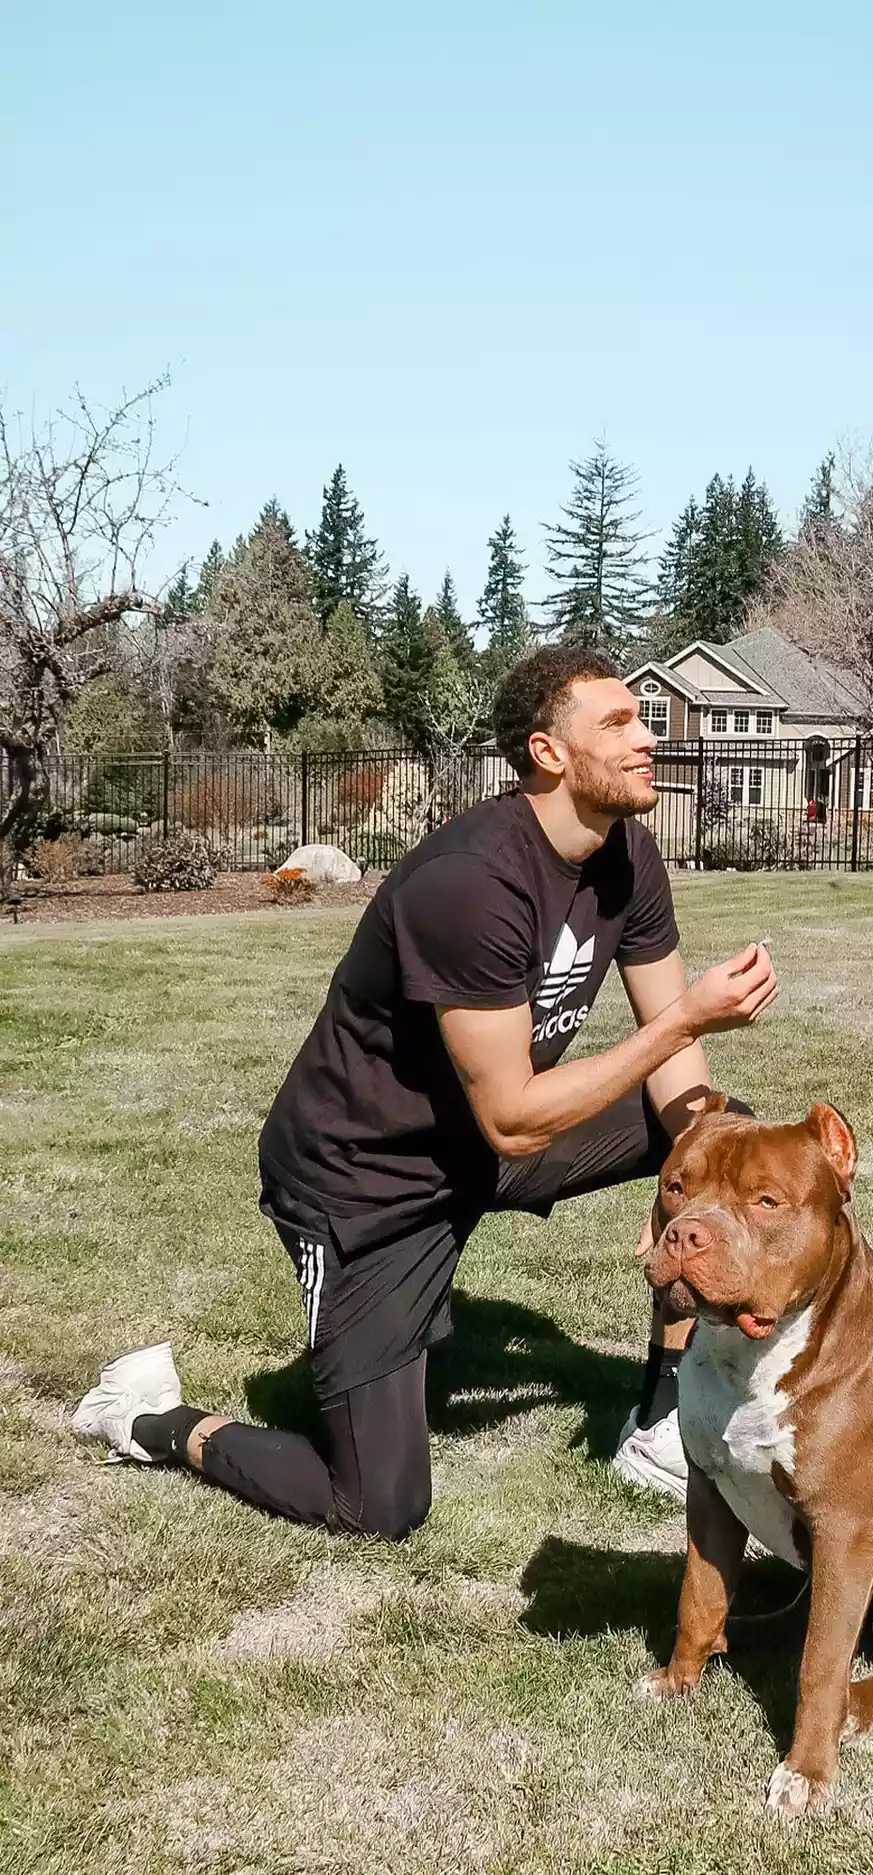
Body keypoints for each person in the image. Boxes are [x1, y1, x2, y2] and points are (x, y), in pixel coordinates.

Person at [72, 647, 778, 1536]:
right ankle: (146, 1416)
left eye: (642, 719)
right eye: (618, 722)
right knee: (376, 1503)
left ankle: (667, 1423)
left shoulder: (627, 854)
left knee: (719, 1132)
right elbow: (516, 1117)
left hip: (479, 1140)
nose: (646, 740)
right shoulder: (473, 880)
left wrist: (689, 1171)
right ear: (547, 751)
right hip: (364, 1180)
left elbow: (673, 1079)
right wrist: (685, 1021)